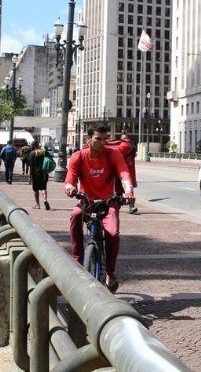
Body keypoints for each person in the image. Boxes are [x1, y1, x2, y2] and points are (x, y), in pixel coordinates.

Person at [64, 123, 135, 293]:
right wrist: (69, 188)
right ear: (88, 139)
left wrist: (128, 191)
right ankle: (78, 260)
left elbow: (124, 174)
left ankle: (110, 271)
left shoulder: (113, 154)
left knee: (113, 233)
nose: (102, 143)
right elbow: (69, 179)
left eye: (105, 139)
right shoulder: (78, 157)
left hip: (109, 202)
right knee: (75, 215)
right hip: (87, 202)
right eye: (98, 139)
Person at [108, 134, 138, 214]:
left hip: (121, 171)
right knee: (126, 189)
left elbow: (116, 151)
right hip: (124, 171)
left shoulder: (125, 146)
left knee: (120, 190)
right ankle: (129, 206)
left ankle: (120, 206)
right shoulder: (131, 146)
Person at [29, 141, 51, 210]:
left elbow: (31, 166)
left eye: (31, 145)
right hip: (44, 173)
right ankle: (45, 200)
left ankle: (38, 205)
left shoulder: (32, 153)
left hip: (36, 174)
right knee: (44, 187)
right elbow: (50, 160)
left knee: (35, 189)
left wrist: (30, 177)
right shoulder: (44, 152)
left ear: (33, 145)